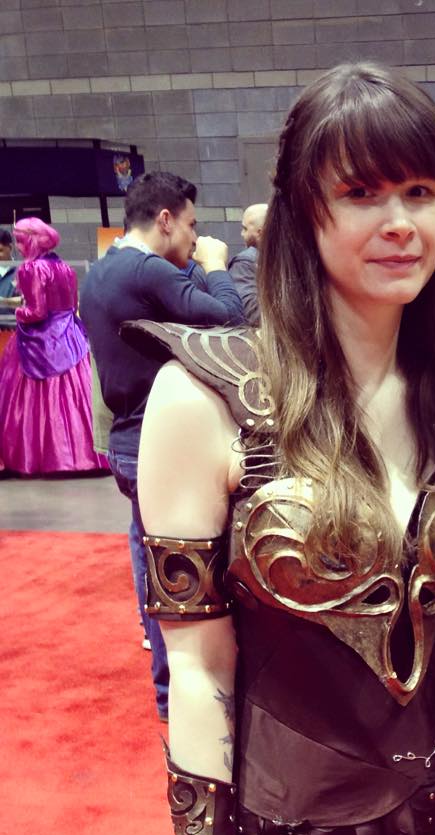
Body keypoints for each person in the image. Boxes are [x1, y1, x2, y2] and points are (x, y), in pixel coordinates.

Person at [133, 64, 435, 835]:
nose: (400, 222)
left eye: (421, 192)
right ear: (304, 210)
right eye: (362, 193)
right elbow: (197, 664)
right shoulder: (205, 398)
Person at [81, 171, 245, 721]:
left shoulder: (100, 272)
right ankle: (183, 696)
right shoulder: (147, 269)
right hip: (163, 445)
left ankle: (170, 695)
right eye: (192, 226)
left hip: (127, 442)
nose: (196, 238)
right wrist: (217, 266)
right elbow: (231, 319)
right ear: (166, 219)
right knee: (186, 575)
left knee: (151, 565)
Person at [0, 218, 108, 474]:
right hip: (71, 338)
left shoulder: (30, 269)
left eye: (20, 240)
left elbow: (36, 312)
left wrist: (17, 312)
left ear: (30, 241)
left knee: (31, 400)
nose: (18, 246)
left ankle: (44, 457)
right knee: (76, 397)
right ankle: (86, 455)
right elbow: (71, 305)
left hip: (38, 343)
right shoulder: (64, 267)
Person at [228, 202, 268, 325]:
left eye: (245, 229)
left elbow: (251, 313)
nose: (242, 234)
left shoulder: (245, 262)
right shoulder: (292, 260)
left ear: (260, 233)